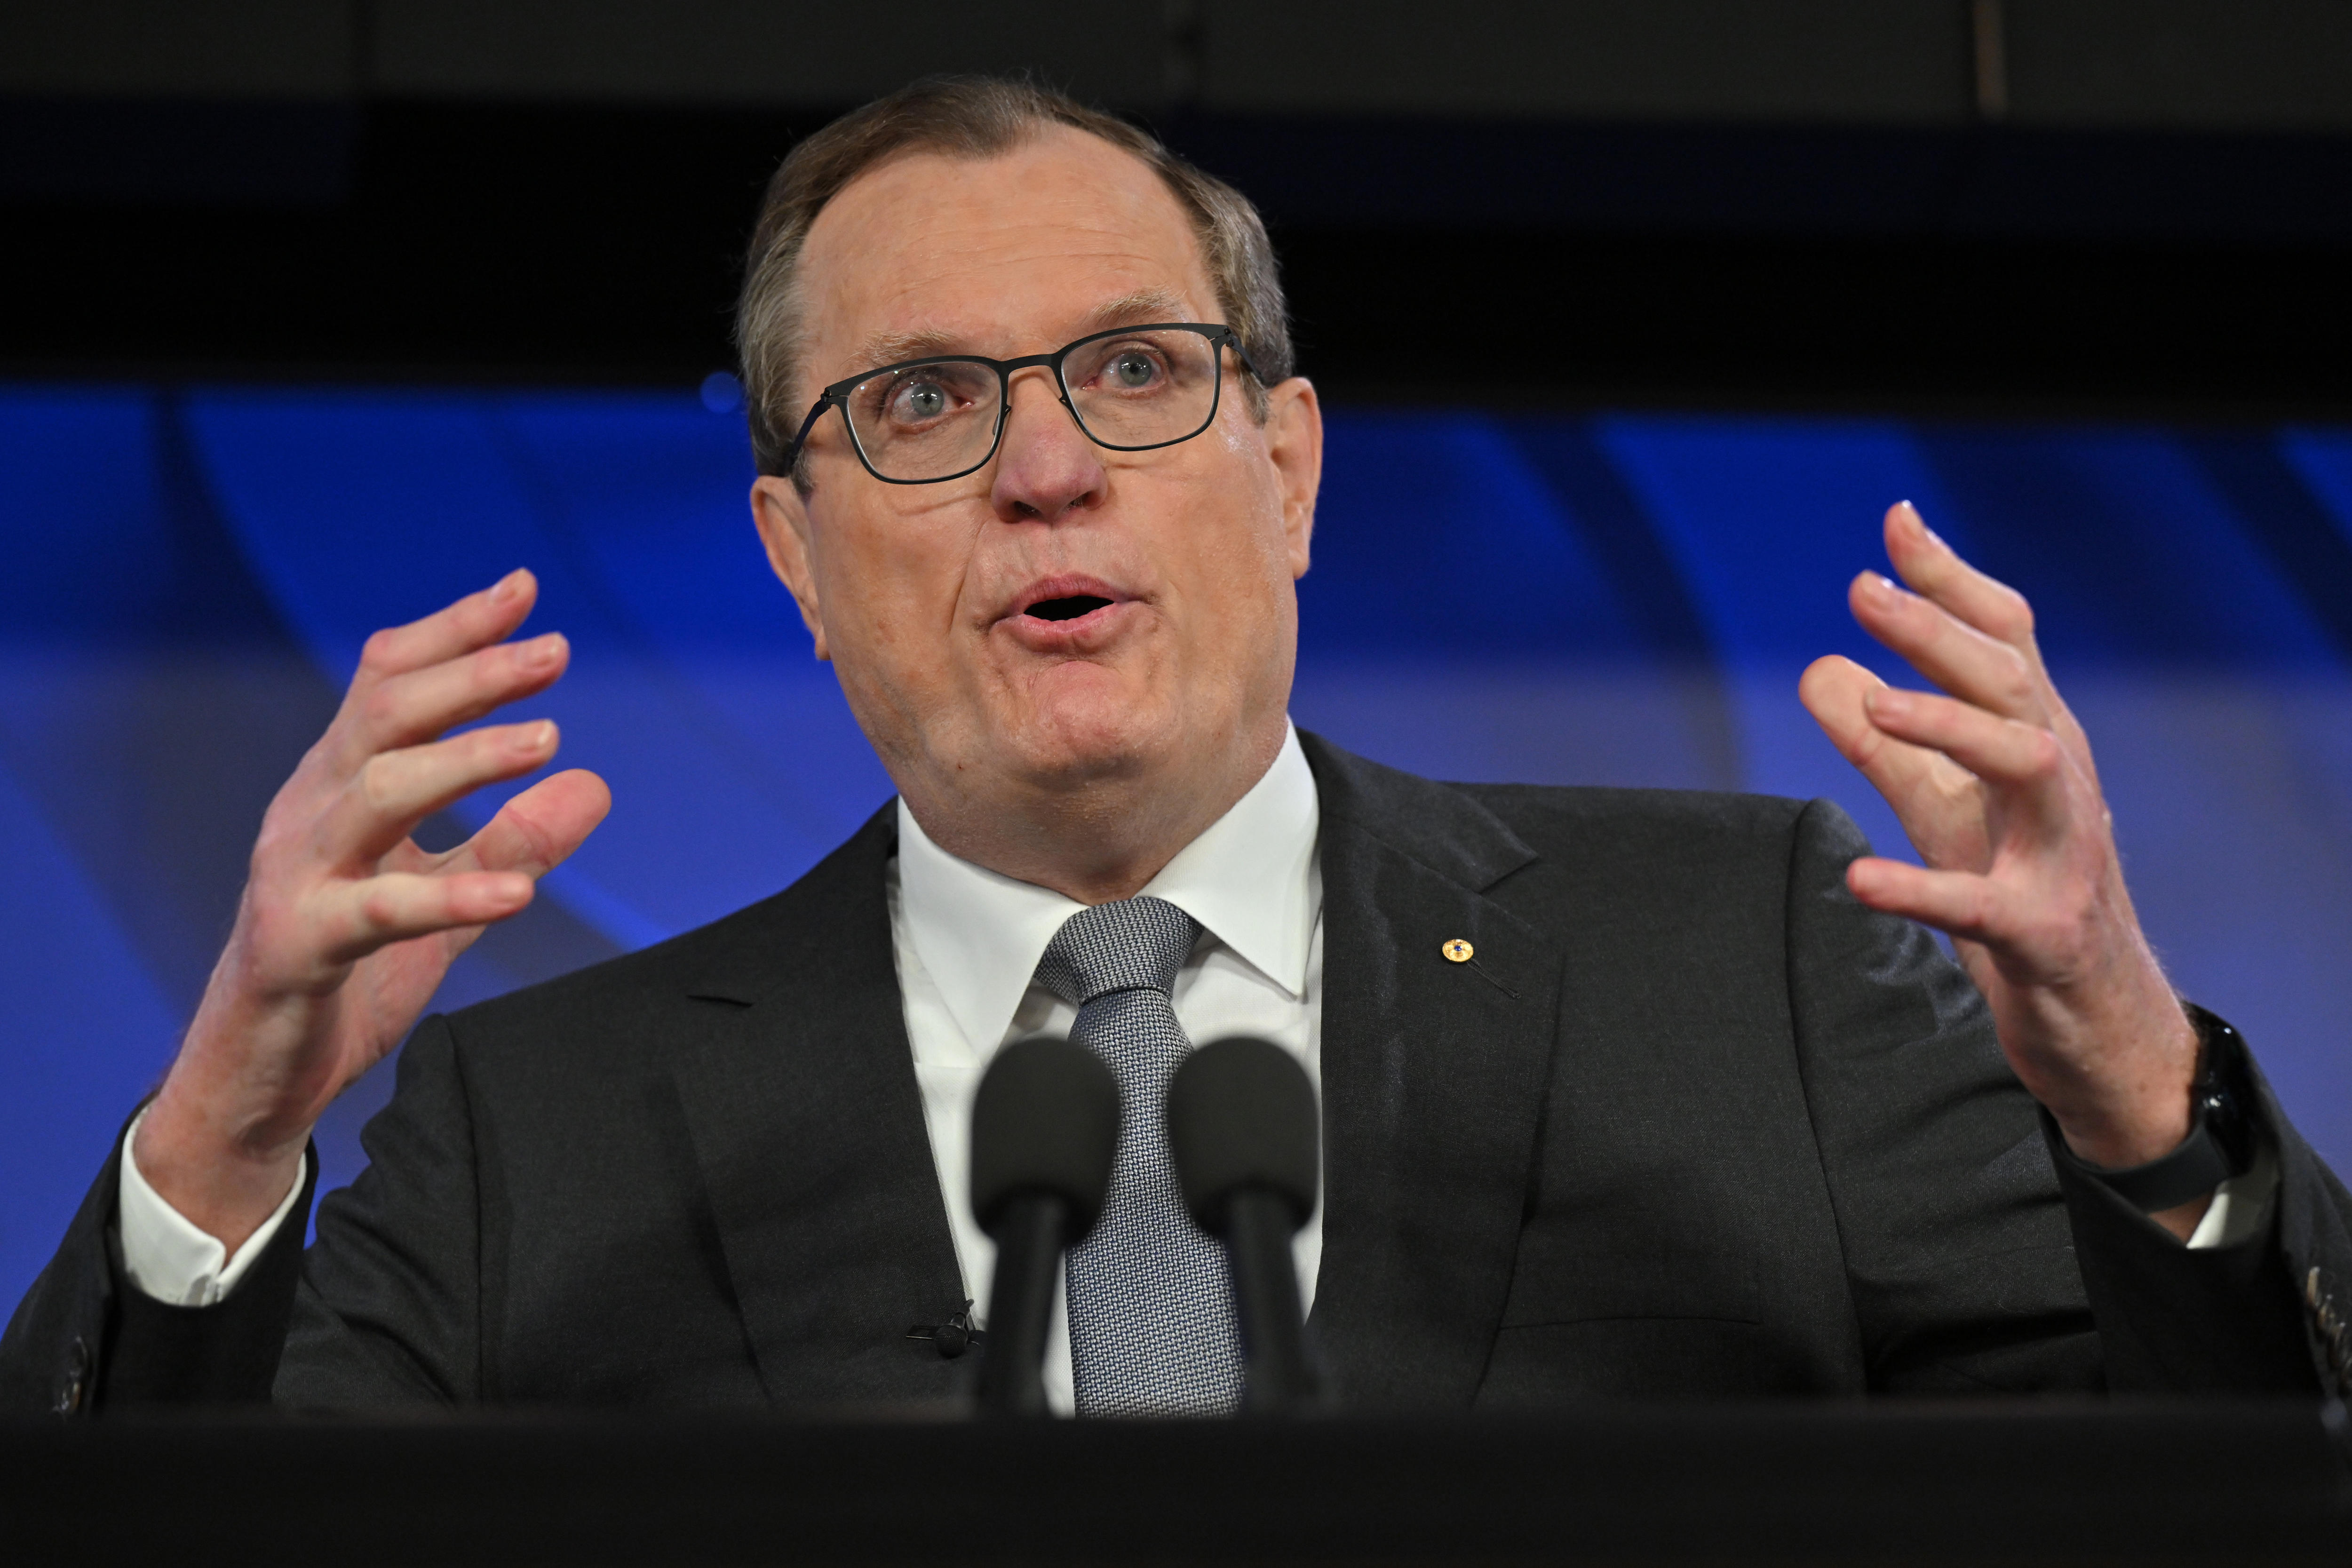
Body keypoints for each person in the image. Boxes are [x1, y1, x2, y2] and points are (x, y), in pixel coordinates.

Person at [4, 77, 2346, 1417]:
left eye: (1133, 372)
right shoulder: (542, 1130)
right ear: (795, 560)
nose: (1045, 474)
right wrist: (223, 1135)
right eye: (918, 404)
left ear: (1291, 467)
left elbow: (2198, 1496)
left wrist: (2139, 1098)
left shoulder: (1750, 957)